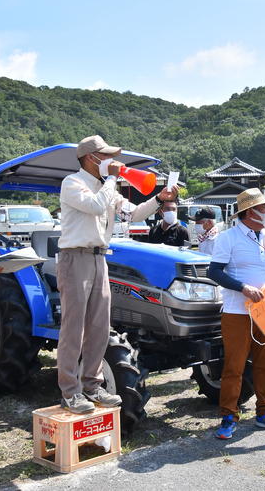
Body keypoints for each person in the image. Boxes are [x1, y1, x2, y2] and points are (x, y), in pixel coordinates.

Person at [57, 135, 178, 413]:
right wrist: (112, 180)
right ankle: (69, 391)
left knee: (100, 327)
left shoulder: (104, 187)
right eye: (106, 156)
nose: (112, 162)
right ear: (91, 158)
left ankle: (92, 385)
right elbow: (95, 206)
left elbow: (133, 214)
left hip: (100, 258)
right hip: (75, 258)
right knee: (74, 328)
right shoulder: (73, 183)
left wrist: (159, 199)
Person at [207, 188, 265, 439]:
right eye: (264, 207)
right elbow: (215, 271)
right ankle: (228, 416)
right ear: (250, 211)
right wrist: (242, 287)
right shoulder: (228, 238)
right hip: (237, 310)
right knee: (235, 366)